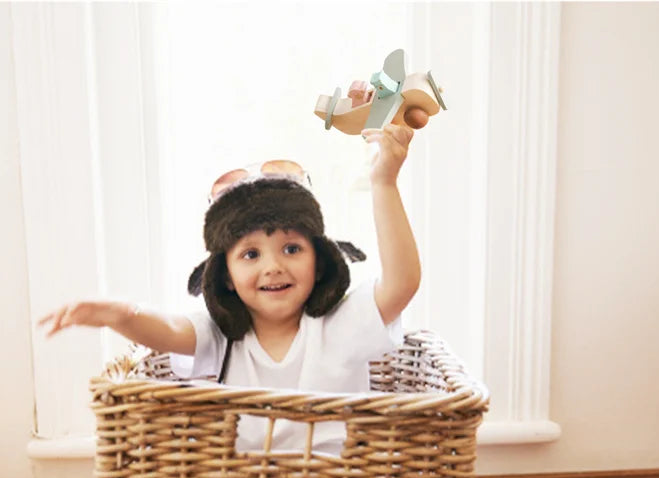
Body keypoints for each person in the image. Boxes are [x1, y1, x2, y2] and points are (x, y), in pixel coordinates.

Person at [39, 123, 421, 454]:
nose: (273, 266)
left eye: (291, 248)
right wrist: (118, 314)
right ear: (224, 276)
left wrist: (383, 181)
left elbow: (401, 283)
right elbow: (169, 331)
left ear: (320, 261)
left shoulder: (340, 324)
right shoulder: (223, 333)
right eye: (251, 254)